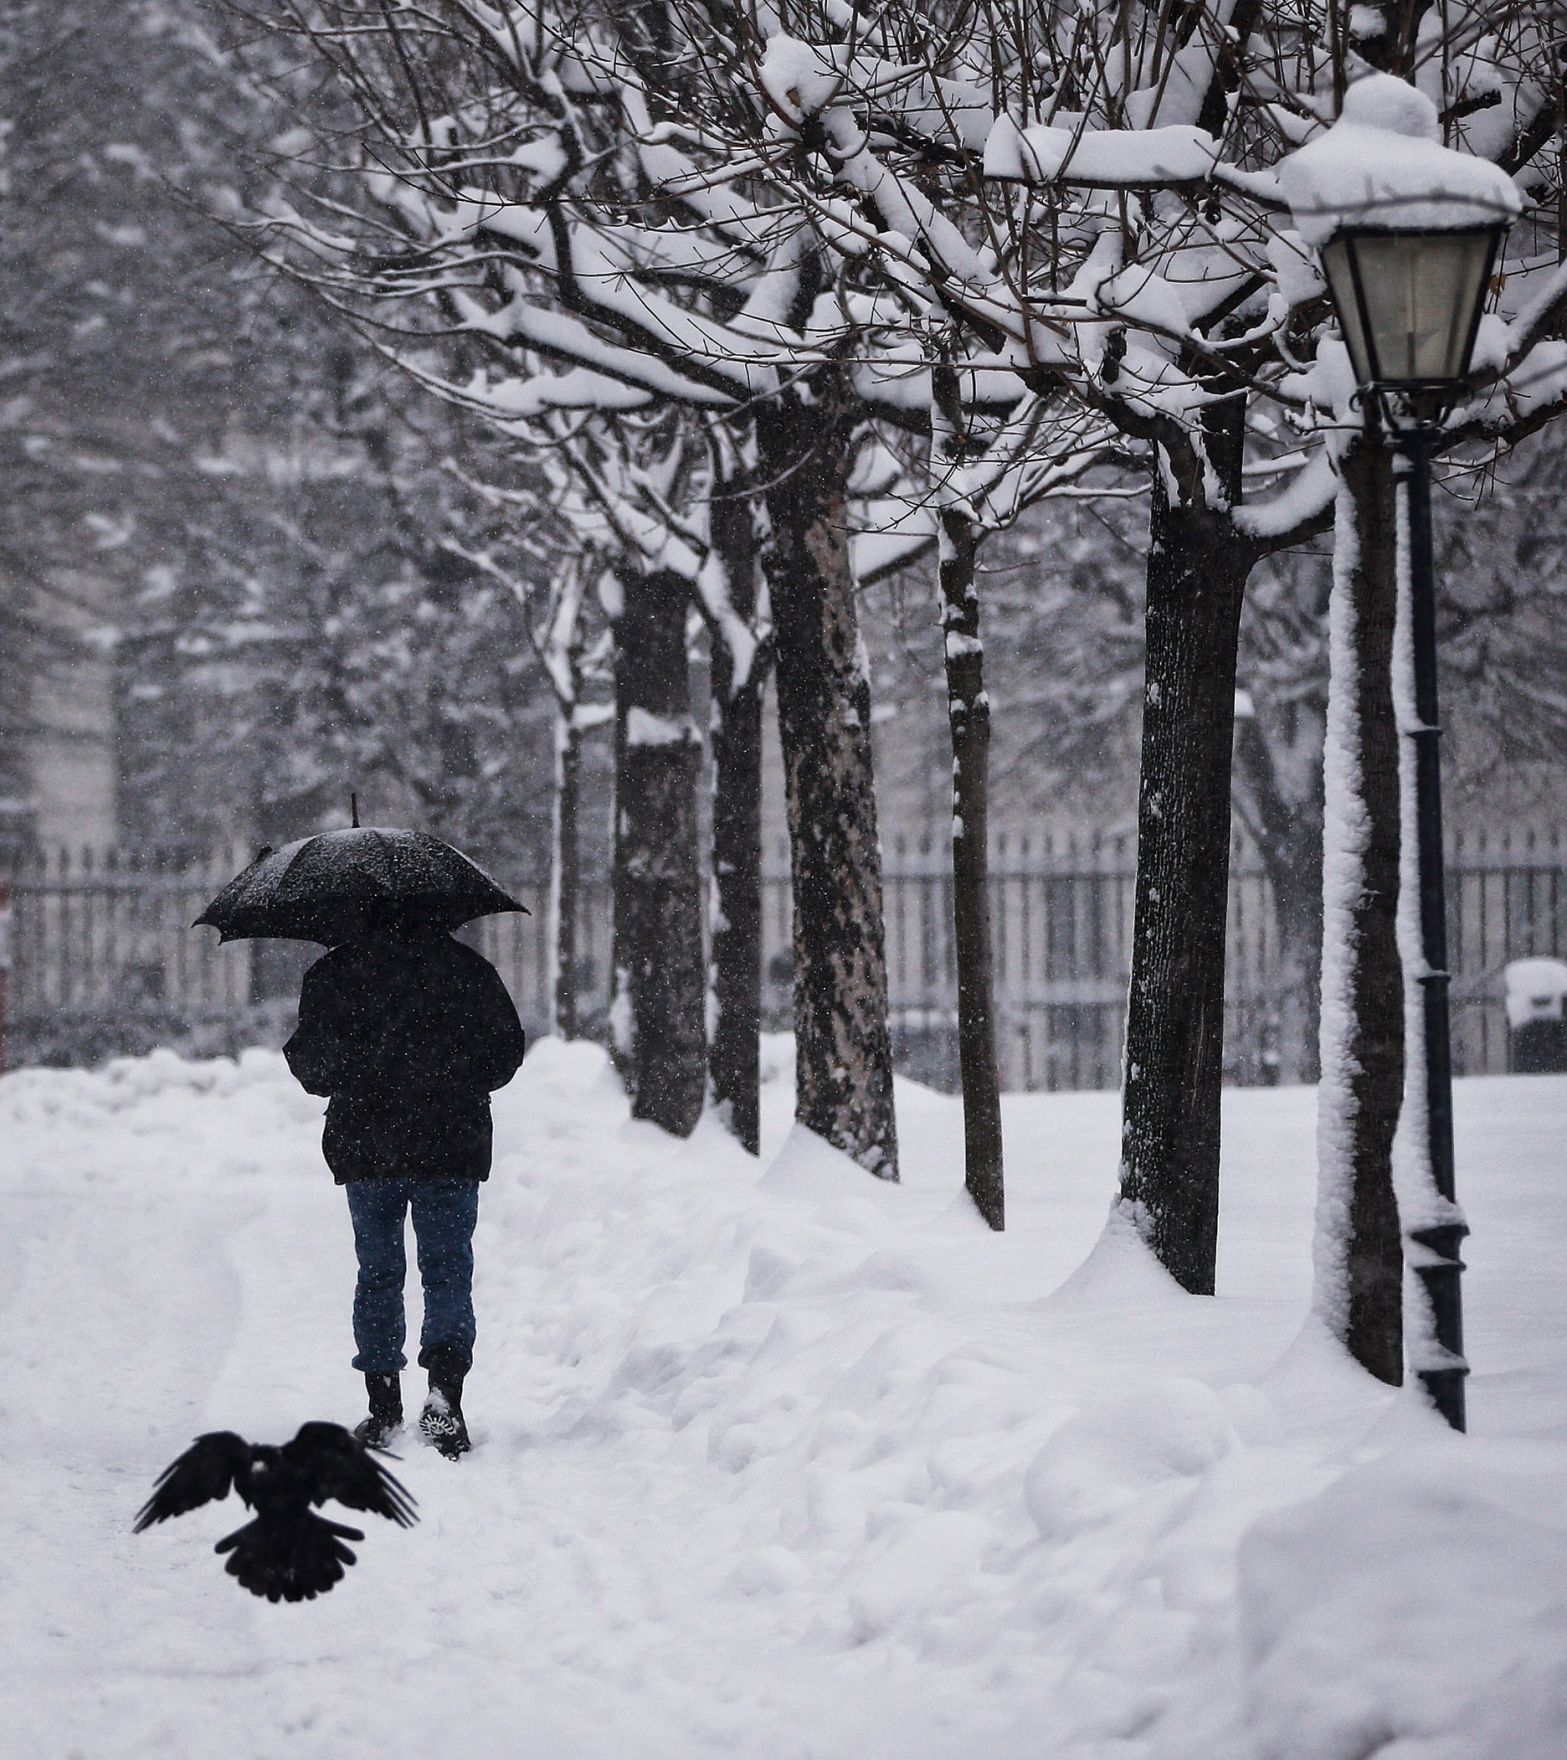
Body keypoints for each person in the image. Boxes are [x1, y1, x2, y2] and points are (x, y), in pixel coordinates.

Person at [283, 904, 527, 1458]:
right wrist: (451, 1076)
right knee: (447, 1270)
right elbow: (505, 1054)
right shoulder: (468, 970)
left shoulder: (334, 973)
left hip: (369, 1144)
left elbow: (311, 1068)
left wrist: (363, 1069)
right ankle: (444, 1396)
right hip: (452, 1139)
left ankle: (383, 1403)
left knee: (378, 1272)